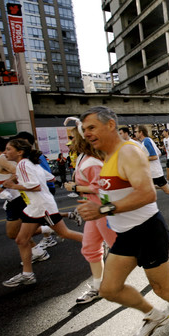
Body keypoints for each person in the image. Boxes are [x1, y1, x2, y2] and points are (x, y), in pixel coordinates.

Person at [77, 106, 169, 336]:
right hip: (126, 234)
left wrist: (102, 209)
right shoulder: (107, 155)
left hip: (147, 230)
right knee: (109, 289)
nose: (86, 133)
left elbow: (147, 194)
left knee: (162, 288)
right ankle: (154, 314)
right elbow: (115, 190)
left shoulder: (128, 152)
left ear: (110, 125)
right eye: (84, 129)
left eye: (91, 127)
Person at [0, 139, 83, 287]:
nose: (5, 152)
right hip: (34, 207)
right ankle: (27, 275)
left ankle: (100, 244)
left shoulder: (23, 164)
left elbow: (36, 186)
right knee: (21, 239)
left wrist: (13, 185)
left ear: (20, 152)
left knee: (64, 233)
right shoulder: (31, 164)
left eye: (8, 149)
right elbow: (50, 177)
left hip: (41, 207)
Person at [63, 124, 117, 304]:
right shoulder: (83, 158)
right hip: (93, 212)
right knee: (90, 248)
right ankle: (98, 287)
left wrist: (76, 187)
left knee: (120, 250)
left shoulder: (92, 161)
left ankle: (156, 273)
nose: (68, 142)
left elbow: (102, 186)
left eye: (71, 138)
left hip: (103, 210)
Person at [0, 136, 53, 262]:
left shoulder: (2, 160)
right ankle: (38, 251)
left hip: (18, 198)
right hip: (14, 199)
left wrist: (2, 186)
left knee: (14, 233)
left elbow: (18, 173)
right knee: (19, 232)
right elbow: (10, 177)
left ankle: (50, 229)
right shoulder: (1, 160)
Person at [135, 126, 169, 213]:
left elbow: (154, 156)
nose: (135, 133)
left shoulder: (146, 141)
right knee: (148, 188)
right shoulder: (146, 141)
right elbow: (159, 153)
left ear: (141, 132)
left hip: (155, 172)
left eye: (136, 131)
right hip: (150, 171)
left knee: (166, 190)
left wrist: (142, 158)